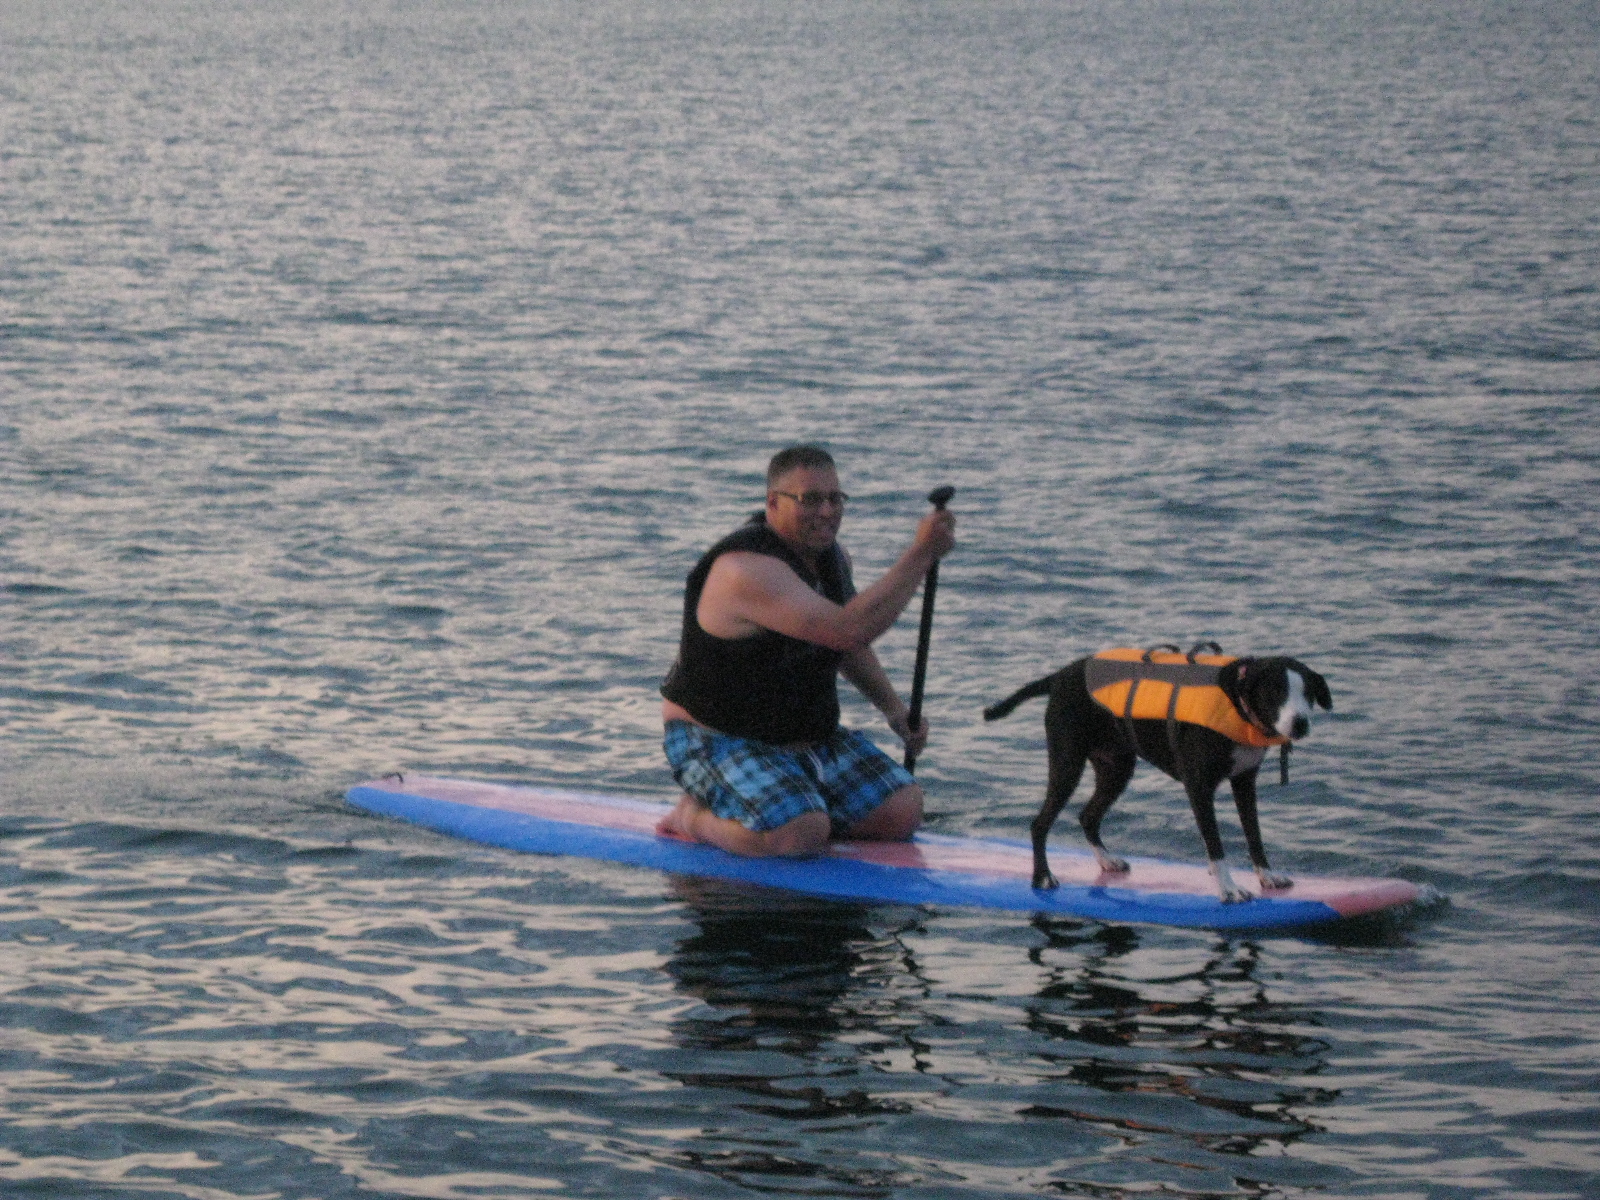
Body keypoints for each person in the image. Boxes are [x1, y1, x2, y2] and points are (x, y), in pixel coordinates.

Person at [657, 445, 957, 858]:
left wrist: (893, 709)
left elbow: (847, 646)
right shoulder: (746, 570)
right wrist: (921, 553)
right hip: (717, 737)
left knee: (903, 812)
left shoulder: (833, 558)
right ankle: (692, 817)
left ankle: (789, 803)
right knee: (800, 833)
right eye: (810, 499)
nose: (827, 511)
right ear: (772, 503)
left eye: (835, 498)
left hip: (805, 738)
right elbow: (846, 630)